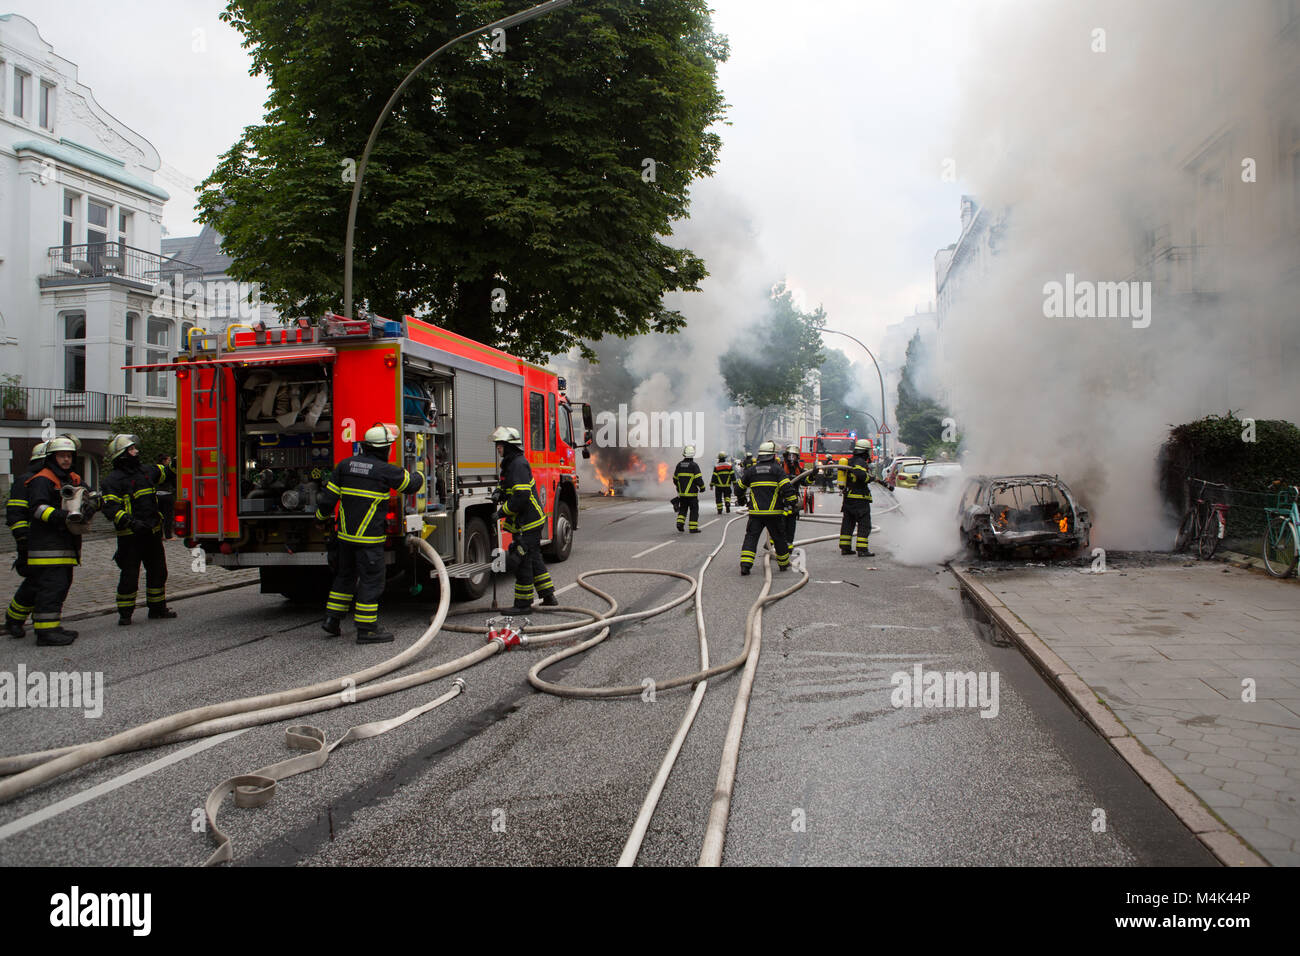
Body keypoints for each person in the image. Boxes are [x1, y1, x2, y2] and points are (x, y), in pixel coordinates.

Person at [315, 423, 422, 642]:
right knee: (371, 581)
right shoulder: (386, 470)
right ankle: (367, 629)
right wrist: (420, 471)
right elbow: (410, 486)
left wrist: (319, 519)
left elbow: (327, 500)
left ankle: (332, 621)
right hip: (369, 540)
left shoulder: (344, 466)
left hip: (344, 538)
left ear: (365, 446)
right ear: (385, 449)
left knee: (344, 577)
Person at [101, 435, 178, 625]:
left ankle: (157, 609)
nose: (136, 452)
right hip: (130, 537)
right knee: (129, 576)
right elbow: (111, 509)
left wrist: (179, 459)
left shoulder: (146, 472)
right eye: (132, 449)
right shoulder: (112, 481)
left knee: (159, 572)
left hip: (152, 533)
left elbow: (169, 472)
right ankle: (125, 614)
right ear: (123, 454)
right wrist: (130, 522)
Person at [15, 437, 84, 645]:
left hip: (64, 544)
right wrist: (62, 516)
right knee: (51, 587)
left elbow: (86, 495)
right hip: (47, 545)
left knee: (61, 585)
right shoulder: (42, 479)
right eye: (62, 456)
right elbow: (38, 508)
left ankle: (53, 626)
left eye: (69, 456)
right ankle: (45, 633)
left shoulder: (70, 478)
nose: (66, 459)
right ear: (52, 458)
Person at [491, 425, 557, 615]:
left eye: (500, 445)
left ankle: (523, 605)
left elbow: (520, 496)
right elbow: (507, 485)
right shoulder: (511, 463)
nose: (498, 449)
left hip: (528, 522)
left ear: (509, 446)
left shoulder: (518, 464)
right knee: (534, 557)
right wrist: (498, 492)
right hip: (529, 521)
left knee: (521, 560)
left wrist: (501, 512)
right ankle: (548, 596)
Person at [4, 441, 48, 638]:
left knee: (46, 582)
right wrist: (23, 538)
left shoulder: (49, 480)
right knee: (34, 582)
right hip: (31, 540)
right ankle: (14, 620)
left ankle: (42, 620)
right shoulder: (26, 481)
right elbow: (15, 512)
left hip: (49, 540)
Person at [738, 441, 796, 576]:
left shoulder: (751, 471)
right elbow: (787, 489)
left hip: (756, 513)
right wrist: (792, 502)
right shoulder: (777, 470)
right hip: (774, 513)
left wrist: (741, 498)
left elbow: (738, 488)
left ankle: (745, 566)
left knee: (751, 538)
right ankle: (783, 564)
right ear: (773, 456)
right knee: (779, 538)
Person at [840, 438, 879, 556]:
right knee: (865, 524)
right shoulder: (860, 462)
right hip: (860, 499)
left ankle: (845, 548)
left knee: (848, 523)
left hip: (849, 499)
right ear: (865, 451)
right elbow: (860, 474)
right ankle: (862, 550)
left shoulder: (850, 461)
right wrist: (871, 478)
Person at [673, 445, 704, 532]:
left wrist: (679, 488)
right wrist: (702, 488)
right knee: (694, 510)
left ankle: (680, 523)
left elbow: (675, 479)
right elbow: (698, 479)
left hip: (682, 494)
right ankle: (693, 528)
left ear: (684, 454)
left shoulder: (679, 465)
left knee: (683, 509)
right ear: (693, 455)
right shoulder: (694, 466)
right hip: (692, 494)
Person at [156, 454, 176, 539]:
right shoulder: (167, 470)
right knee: (168, 516)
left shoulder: (155, 469)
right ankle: (168, 536)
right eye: (168, 460)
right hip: (167, 495)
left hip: (157, 495)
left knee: (159, 516)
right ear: (164, 461)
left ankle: (160, 535)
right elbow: (174, 483)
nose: (169, 462)